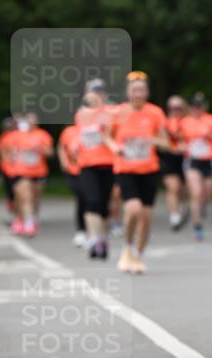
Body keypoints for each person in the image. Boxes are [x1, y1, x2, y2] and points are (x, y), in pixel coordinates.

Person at [109, 74, 170, 274]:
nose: (137, 94)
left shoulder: (155, 113)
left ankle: (138, 255)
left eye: (141, 90)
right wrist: (115, 146)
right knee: (133, 209)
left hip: (149, 169)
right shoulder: (118, 112)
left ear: (147, 92)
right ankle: (127, 247)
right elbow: (106, 136)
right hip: (126, 168)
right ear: (128, 92)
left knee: (146, 216)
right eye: (134, 90)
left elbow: (166, 142)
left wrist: (151, 140)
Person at [178, 92, 212, 240]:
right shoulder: (185, 122)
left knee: (207, 195)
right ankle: (198, 227)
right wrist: (181, 146)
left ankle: (200, 207)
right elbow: (179, 141)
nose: (197, 109)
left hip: (210, 161)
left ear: (205, 106)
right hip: (193, 161)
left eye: (200, 106)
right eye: (194, 106)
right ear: (190, 107)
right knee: (196, 193)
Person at [75, 78, 115, 259]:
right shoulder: (81, 115)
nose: (97, 95)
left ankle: (103, 238)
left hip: (108, 163)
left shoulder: (111, 112)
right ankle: (94, 238)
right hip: (87, 164)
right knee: (92, 201)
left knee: (104, 205)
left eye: (100, 92)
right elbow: (79, 136)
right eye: (94, 92)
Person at [4, 113, 53, 236]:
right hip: (20, 171)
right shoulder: (15, 135)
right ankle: (27, 222)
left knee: (35, 198)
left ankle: (30, 217)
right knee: (26, 197)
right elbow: (6, 152)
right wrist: (12, 157)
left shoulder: (42, 135)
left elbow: (50, 153)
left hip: (38, 171)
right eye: (28, 120)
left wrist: (40, 149)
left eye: (33, 121)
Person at [160, 95, 188, 230]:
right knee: (173, 187)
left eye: (178, 107)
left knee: (184, 189)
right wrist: (173, 148)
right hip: (169, 159)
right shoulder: (164, 122)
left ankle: (182, 206)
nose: (175, 110)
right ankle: (174, 215)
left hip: (186, 158)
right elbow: (161, 143)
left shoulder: (189, 122)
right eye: (172, 108)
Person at [57, 121, 86, 246]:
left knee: (94, 199)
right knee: (81, 197)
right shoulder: (68, 131)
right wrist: (64, 161)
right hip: (73, 170)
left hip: (89, 169)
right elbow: (61, 147)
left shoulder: (93, 129)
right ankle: (81, 230)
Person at [0, 117, 18, 224]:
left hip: (19, 169)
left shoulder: (19, 137)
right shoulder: (1, 139)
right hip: (6, 169)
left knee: (17, 191)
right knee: (11, 191)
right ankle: (15, 210)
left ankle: (19, 215)